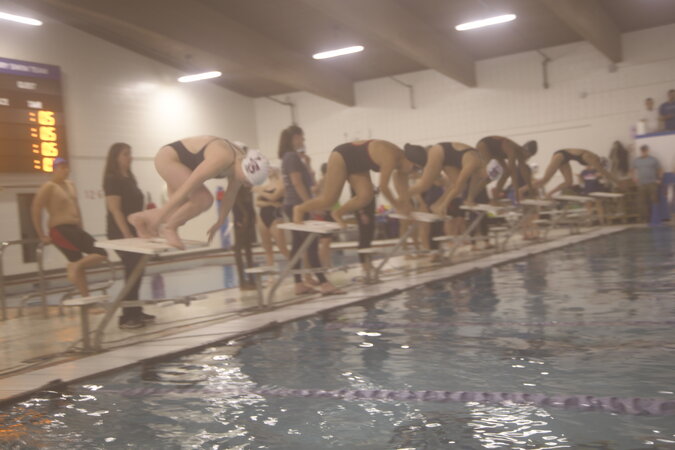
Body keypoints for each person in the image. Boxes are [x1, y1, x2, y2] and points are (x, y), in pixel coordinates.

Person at [128, 136, 269, 249]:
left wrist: (220, 221)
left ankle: (139, 218)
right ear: (244, 167)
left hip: (183, 165)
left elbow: (230, 195)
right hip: (169, 159)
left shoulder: (239, 163)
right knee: (203, 200)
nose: (246, 185)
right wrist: (161, 217)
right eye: (247, 180)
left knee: (180, 211)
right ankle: (169, 228)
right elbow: (187, 188)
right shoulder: (222, 157)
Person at [279, 125, 342, 295]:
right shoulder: (291, 156)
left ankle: (298, 283)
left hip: (292, 204)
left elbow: (307, 182)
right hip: (297, 206)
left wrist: (307, 163)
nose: (303, 140)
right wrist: (309, 205)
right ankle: (324, 284)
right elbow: (297, 182)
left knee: (298, 245)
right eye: (302, 137)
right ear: (295, 138)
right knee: (311, 243)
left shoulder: (289, 157)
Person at [293, 139, 414, 227]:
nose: (413, 172)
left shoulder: (402, 164)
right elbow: (383, 187)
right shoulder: (391, 157)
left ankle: (338, 213)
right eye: (415, 168)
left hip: (359, 165)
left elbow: (403, 190)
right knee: (329, 200)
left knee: (366, 196)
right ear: (409, 160)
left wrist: (406, 204)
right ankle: (299, 209)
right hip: (343, 155)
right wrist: (398, 206)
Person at [31, 157, 107, 297]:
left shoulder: (70, 185)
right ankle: (75, 267)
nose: (66, 170)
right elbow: (36, 209)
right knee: (101, 253)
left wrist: (81, 227)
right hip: (60, 230)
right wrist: (41, 234)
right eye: (62, 167)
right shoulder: (49, 186)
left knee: (82, 260)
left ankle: (86, 300)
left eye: (67, 167)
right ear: (54, 169)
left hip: (74, 229)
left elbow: (76, 208)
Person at [103, 143, 154, 329]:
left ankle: (135, 310)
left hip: (134, 231)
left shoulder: (129, 179)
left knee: (137, 271)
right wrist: (127, 235)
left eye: (130, 153)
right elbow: (115, 210)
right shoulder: (112, 180)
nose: (129, 157)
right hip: (120, 232)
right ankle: (126, 316)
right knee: (131, 271)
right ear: (115, 157)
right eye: (125, 154)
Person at [403, 142, 485, 215]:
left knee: (458, 185)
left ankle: (436, 206)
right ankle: (401, 200)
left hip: (450, 156)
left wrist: (470, 199)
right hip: (440, 151)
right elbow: (458, 187)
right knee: (424, 185)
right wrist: (444, 205)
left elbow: (472, 184)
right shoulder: (472, 164)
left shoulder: (479, 166)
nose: (483, 178)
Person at [535, 148, 620, 198]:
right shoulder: (592, 158)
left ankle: (549, 194)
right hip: (560, 155)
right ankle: (526, 190)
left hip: (565, 159)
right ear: (600, 163)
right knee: (545, 179)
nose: (597, 168)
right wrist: (617, 181)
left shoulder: (593, 160)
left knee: (569, 182)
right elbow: (603, 171)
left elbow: (600, 171)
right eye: (600, 166)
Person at [475, 136, 538, 201]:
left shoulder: (520, 154)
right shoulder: (513, 151)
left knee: (506, 172)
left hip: (496, 151)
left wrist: (531, 191)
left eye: (529, 157)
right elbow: (512, 172)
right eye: (528, 156)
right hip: (484, 145)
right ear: (524, 151)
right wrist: (517, 192)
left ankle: (494, 199)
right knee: (487, 174)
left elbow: (525, 174)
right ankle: (474, 195)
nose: (527, 158)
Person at [254, 167, 289, 267]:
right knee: (267, 249)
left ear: (276, 171)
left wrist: (260, 191)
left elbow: (274, 197)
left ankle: (296, 267)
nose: (268, 170)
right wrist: (271, 204)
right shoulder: (266, 186)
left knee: (282, 248)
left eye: (270, 169)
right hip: (262, 218)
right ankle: (270, 272)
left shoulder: (281, 184)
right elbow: (257, 203)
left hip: (275, 218)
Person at [232, 185, 257, 290]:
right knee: (239, 251)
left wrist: (253, 217)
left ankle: (251, 280)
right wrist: (240, 220)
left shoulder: (247, 188)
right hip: (241, 221)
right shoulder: (236, 187)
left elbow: (250, 205)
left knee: (248, 251)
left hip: (248, 221)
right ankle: (242, 282)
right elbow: (235, 204)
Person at [631, 145, 663, 222]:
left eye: (645, 151)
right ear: (641, 151)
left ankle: (656, 218)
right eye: (642, 151)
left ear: (647, 151)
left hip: (652, 183)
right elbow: (631, 170)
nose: (643, 152)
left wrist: (659, 179)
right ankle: (646, 219)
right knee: (642, 201)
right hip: (641, 184)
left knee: (654, 200)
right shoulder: (637, 160)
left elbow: (660, 169)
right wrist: (633, 178)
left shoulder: (653, 160)